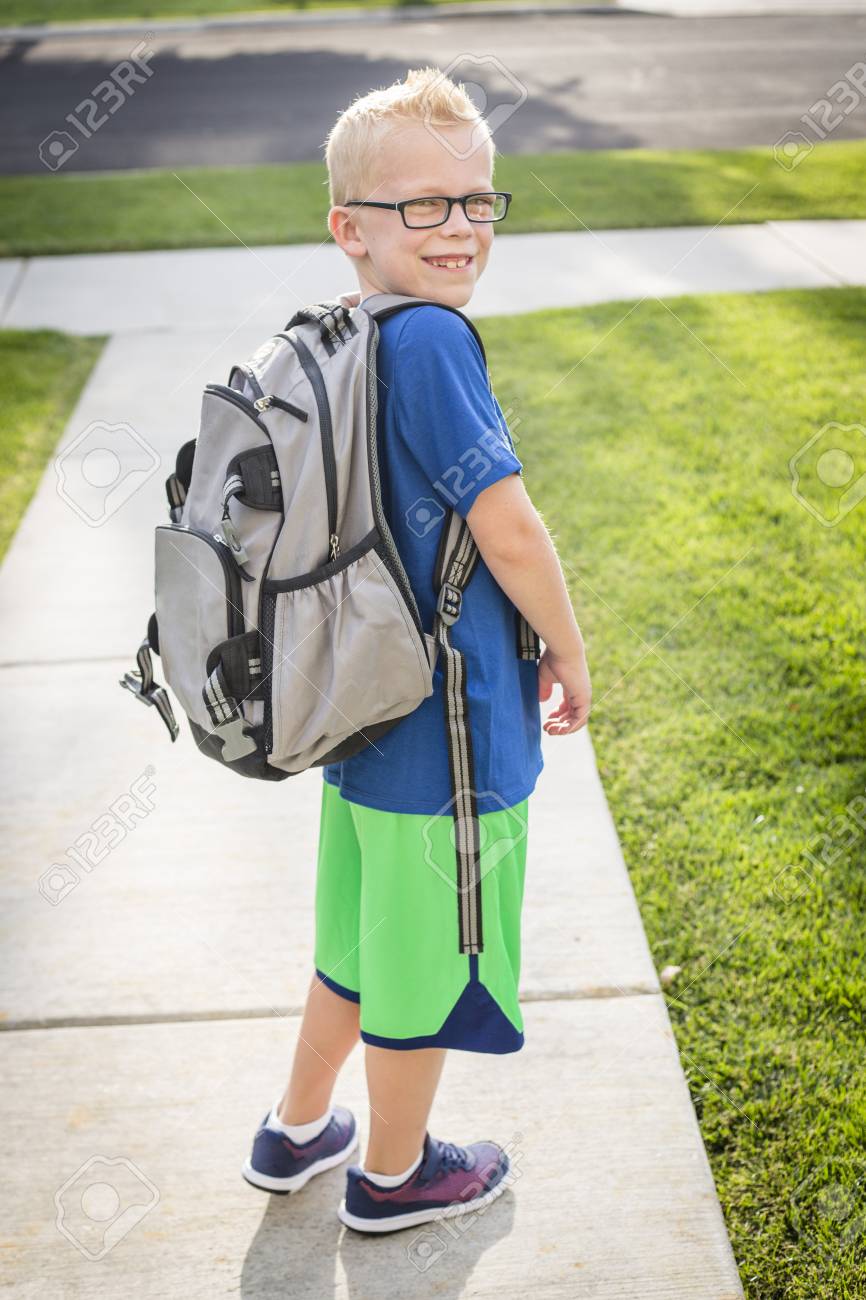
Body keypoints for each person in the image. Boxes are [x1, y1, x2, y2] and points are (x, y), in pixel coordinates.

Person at [242, 66, 592, 1234]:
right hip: (448, 721)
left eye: (476, 202)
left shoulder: (344, 330)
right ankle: (394, 1175)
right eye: (423, 206)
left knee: (351, 936)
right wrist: (568, 645)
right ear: (349, 226)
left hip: (363, 706)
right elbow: (507, 524)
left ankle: (297, 1129)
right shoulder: (433, 341)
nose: (457, 228)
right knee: (426, 956)